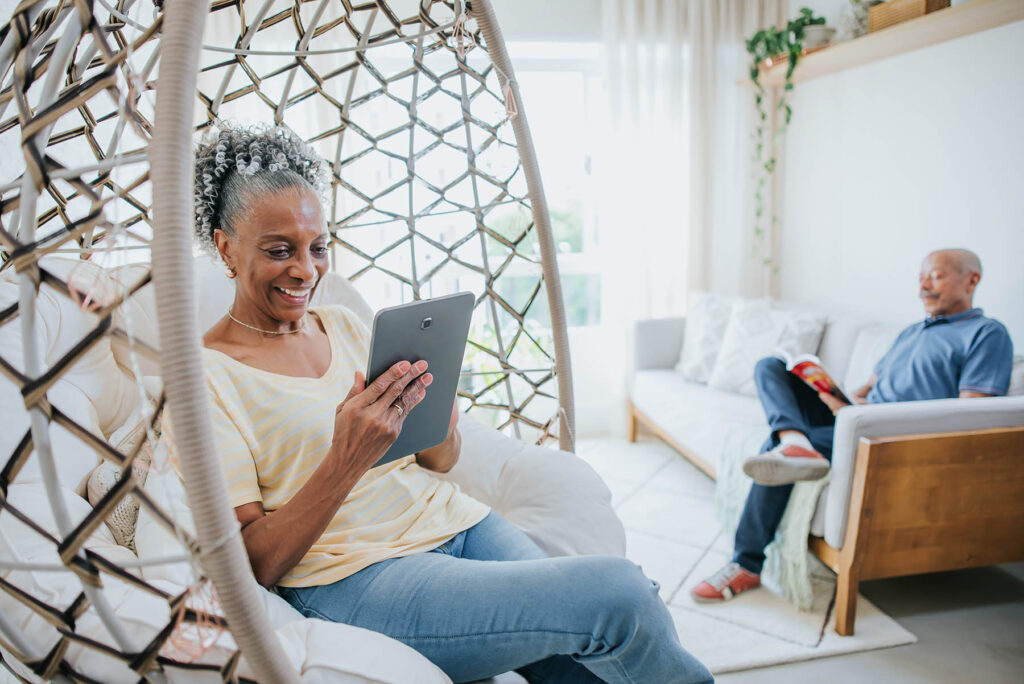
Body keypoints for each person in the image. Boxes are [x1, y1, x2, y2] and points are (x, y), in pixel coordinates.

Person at [193, 125, 713, 684]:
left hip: (458, 524)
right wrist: (347, 457)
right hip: (355, 577)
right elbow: (253, 564)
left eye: (317, 247)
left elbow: (438, 461)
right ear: (226, 247)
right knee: (621, 594)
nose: (306, 269)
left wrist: (432, 416)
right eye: (279, 250)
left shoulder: (341, 323)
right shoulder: (205, 377)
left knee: (585, 667)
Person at [691, 249, 1014, 602]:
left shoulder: (987, 334)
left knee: (772, 448)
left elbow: (970, 415)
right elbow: (866, 390)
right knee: (771, 366)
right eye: (921, 277)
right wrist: (837, 396)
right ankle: (794, 438)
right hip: (854, 419)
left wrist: (869, 414)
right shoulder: (912, 333)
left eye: (935, 276)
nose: (923, 285)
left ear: (972, 280)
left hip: (887, 436)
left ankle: (746, 564)